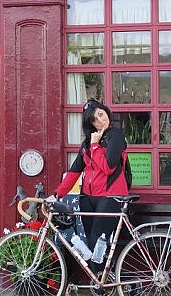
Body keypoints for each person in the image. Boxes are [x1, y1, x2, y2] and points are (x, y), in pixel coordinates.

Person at [47, 99, 129, 276]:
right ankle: (103, 280)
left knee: (97, 240)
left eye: (101, 114)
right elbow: (75, 171)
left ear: (106, 111)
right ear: (90, 124)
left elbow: (108, 167)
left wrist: (95, 146)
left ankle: (101, 284)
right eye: (95, 119)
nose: (100, 120)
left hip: (111, 197)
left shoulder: (115, 136)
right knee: (93, 246)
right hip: (87, 198)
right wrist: (56, 194)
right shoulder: (86, 144)